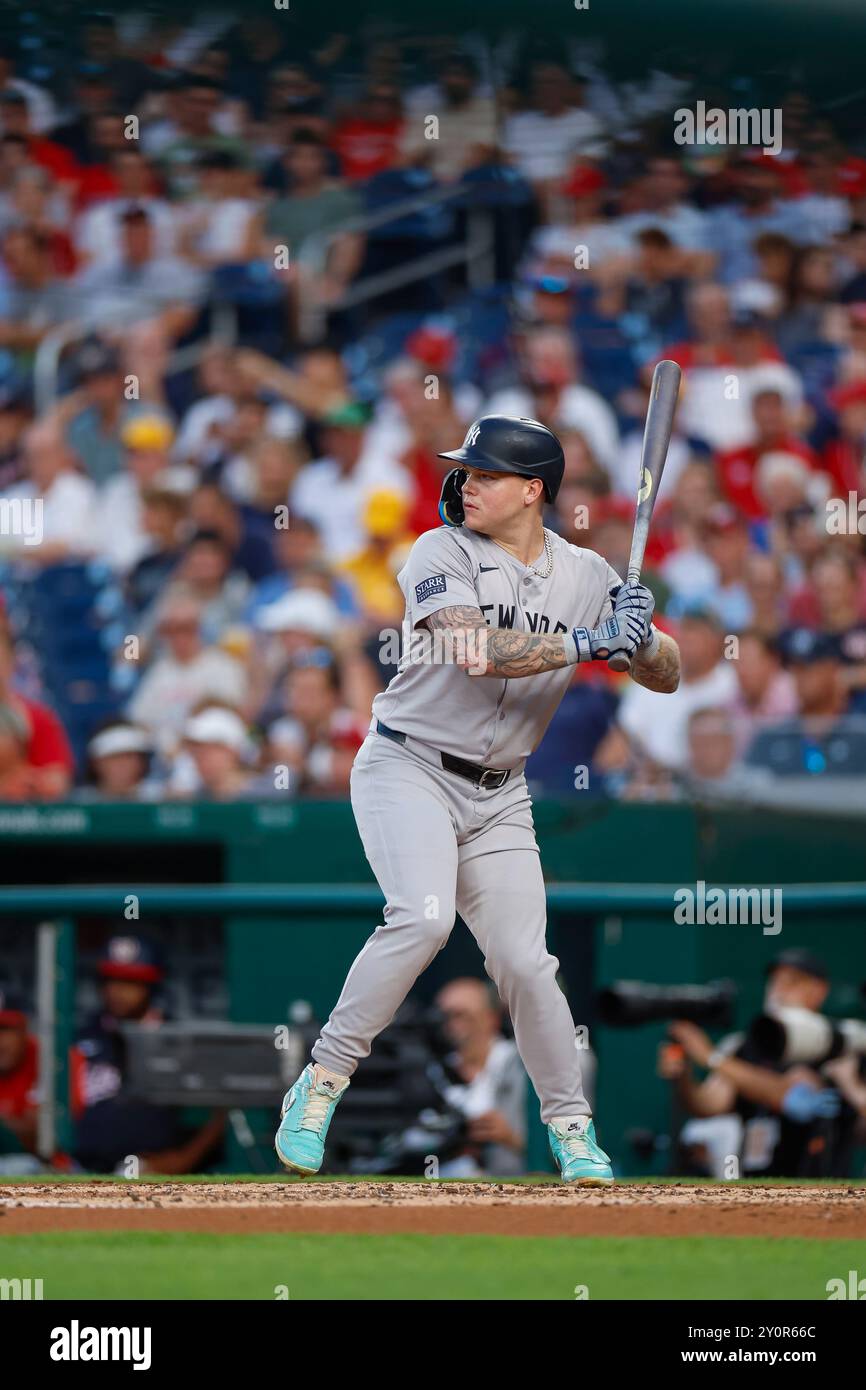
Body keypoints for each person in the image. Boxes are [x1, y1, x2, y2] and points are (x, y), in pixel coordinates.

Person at [275, 414, 681, 1185]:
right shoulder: (440, 549)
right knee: (423, 918)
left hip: (502, 793)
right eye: (466, 470)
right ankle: (320, 1085)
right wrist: (591, 643)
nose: (466, 484)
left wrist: (643, 636)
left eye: (486, 474)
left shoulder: (590, 574)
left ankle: (573, 1134)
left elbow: (669, 674)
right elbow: (475, 651)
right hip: (409, 766)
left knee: (527, 964)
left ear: (533, 490)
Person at [662, 950, 851, 1178]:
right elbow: (708, 1104)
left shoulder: (834, 1042)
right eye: (774, 982)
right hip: (758, 1188)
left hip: (817, 1185)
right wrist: (683, 1077)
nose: (778, 991)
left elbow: (793, 1098)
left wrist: (711, 1057)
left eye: (791, 983)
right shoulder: (745, 1045)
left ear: (818, 991)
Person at [73, 934, 224, 1174]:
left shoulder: (178, 1040)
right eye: (111, 980)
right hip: (80, 1166)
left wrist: (183, 1159)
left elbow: (221, 1113)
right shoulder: (81, 1038)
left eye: (130, 982)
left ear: (151, 985)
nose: (117, 991)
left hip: (148, 1168)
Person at [433, 977, 528, 1177]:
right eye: (445, 1016)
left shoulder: (525, 1065)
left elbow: (574, 1146)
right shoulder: (432, 1070)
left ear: (491, 1018)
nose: (452, 1024)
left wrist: (510, 1137)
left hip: (518, 1183)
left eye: (462, 1015)